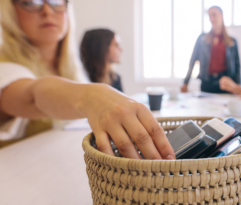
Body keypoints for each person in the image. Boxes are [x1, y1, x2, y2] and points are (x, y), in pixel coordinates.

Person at [0, 0, 175, 160]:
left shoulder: (74, 69)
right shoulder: (5, 66)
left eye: (56, 1)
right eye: (30, 2)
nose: (47, 10)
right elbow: (32, 95)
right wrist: (90, 97)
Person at [181, 6, 241, 94]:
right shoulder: (202, 39)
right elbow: (193, 61)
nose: (211, 18)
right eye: (209, 15)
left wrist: (237, 87)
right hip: (207, 83)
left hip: (225, 83)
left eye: (214, 15)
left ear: (221, 15)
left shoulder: (232, 41)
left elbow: (237, 66)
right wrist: (185, 83)